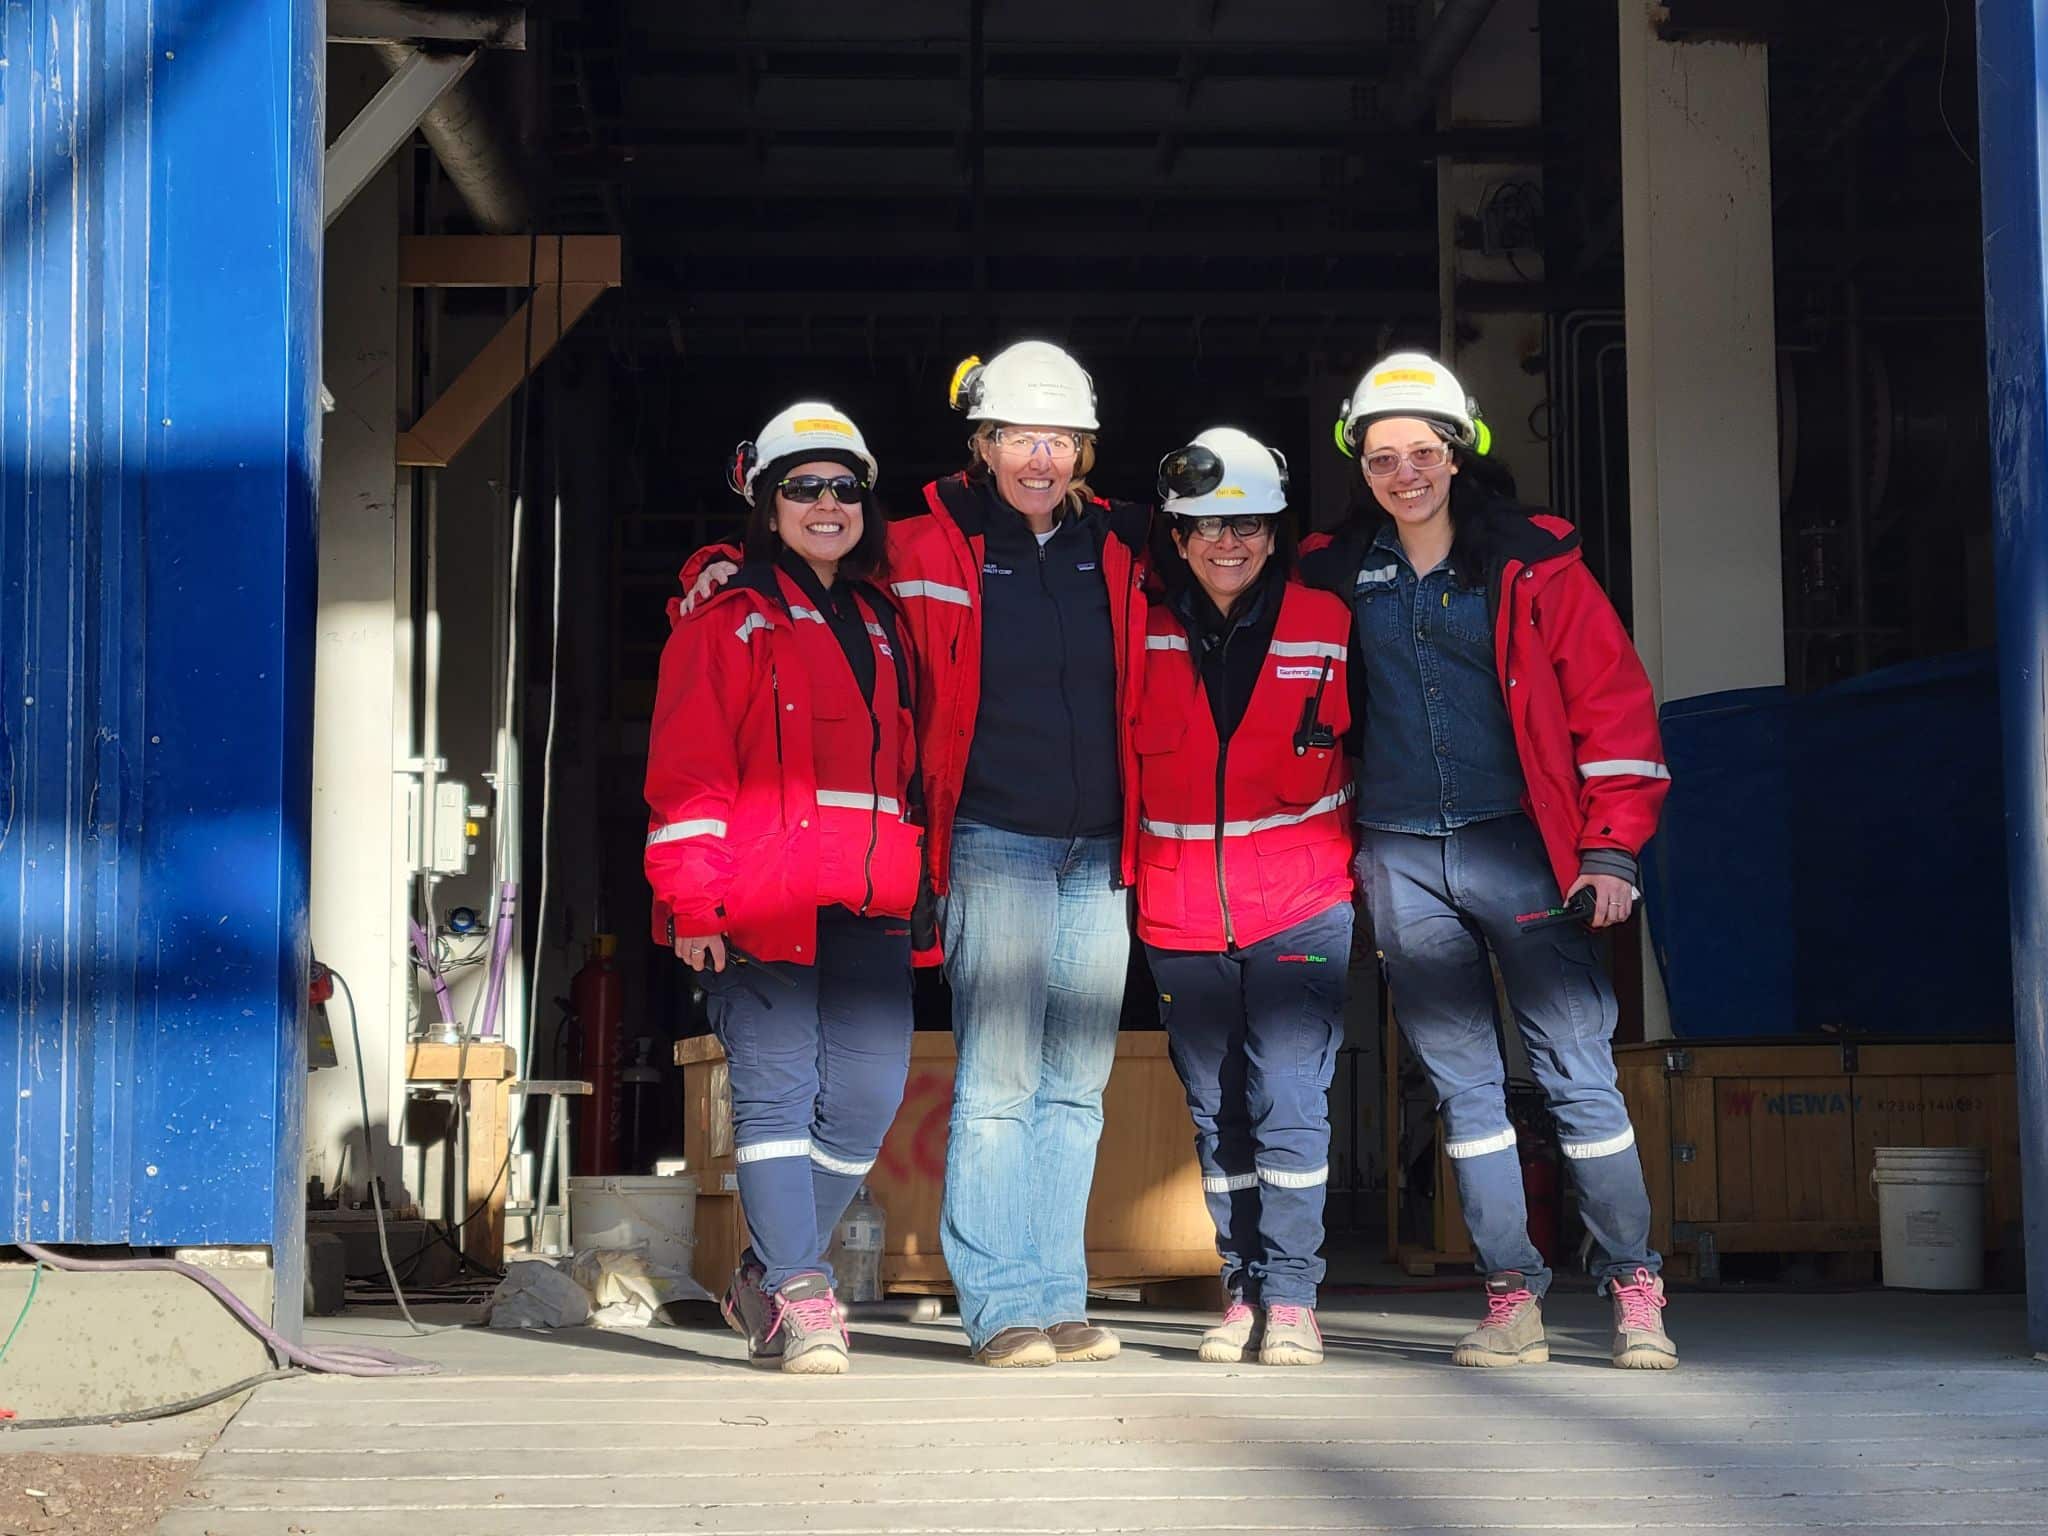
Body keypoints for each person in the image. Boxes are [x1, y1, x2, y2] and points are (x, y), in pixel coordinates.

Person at [677, 342, 1149, 1368]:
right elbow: (805, 561)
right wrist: (711, 567)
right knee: (998, 1080)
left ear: (1083, 449)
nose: (1040, 456)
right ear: (979, 444)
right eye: (1018, 436)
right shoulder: (926, 543)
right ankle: (1002, 1307)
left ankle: (1059, 1297)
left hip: (1099, 852)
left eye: (1059, 438)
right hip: (990, 839)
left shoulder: (1117, 549)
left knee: (1076, 1084)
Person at [1299, 353, 1678, 1371]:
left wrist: (1609, 848)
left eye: (1423, 451)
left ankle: (1633, 1287)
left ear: (1459, 452)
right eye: (1382, 457)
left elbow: (1611, 706)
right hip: (1399, 856)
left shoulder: (1530, 562)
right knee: (1461, 1087)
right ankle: (1510, 1298)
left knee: (1574, 1072)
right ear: (1359, 464)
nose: (1404, 471)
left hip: (1523, 851)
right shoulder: (1333, 571)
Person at [643, 403, 923, 1374]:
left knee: (864, 1097)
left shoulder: (884, 618)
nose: (826, 503)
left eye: (843, 486)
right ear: (765, 502)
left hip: (868, 899)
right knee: (775, 1094)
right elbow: (686, 771)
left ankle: (765, 1270)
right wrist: (691, 900)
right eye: (802, 486)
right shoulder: (725, 618)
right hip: (758, 898)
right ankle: (803, 1296)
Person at [1131, 429, 1356, 1367]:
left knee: (1289, 1098)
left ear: (1277, 533)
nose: (1232, 543)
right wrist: (723, 555)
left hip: (1302, 902)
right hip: (1179, 911)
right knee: (1217, 1108)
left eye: (1252, 525)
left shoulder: (1331, 619)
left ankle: (1294, 1296)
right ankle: (1242, 1287)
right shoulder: (1133, 621)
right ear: (1177, 536)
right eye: (1209, 525)